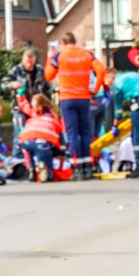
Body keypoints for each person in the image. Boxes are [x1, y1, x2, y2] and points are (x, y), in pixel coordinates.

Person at [46, 32, 107, 180]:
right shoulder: (87, 54)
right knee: (85, 132)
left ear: (63, 42)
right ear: (76, 41)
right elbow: (101, 71)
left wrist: (49, 58)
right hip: (84, 98)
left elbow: (48, 76)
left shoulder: (59, 56)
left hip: (67, 99)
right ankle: (87, 166)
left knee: (73, 134)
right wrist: (95, 89)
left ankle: (77, 167)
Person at [1, 48, 51, 131]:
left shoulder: (40, 71)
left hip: (37, 109)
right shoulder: (16, 71)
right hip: (20, 109)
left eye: (31, 63)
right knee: (20, 135)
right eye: (27, 62)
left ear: (35, 60)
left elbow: (47, 88)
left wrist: (48, 105)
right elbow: (3, 85)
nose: (29, 65)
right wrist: (12, 84)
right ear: (23, 60)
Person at [17, 93, 64, 182]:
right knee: (44, 150)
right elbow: (59, 131)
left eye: (34, 106)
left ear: (40, 107)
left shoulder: (35, 115)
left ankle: (31, 170)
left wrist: (19, 94)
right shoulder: (52, 115)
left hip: (26, 138)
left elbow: (25, 108)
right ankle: (47, 171)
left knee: (29, 149)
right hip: (44, 139)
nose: (32, 108)